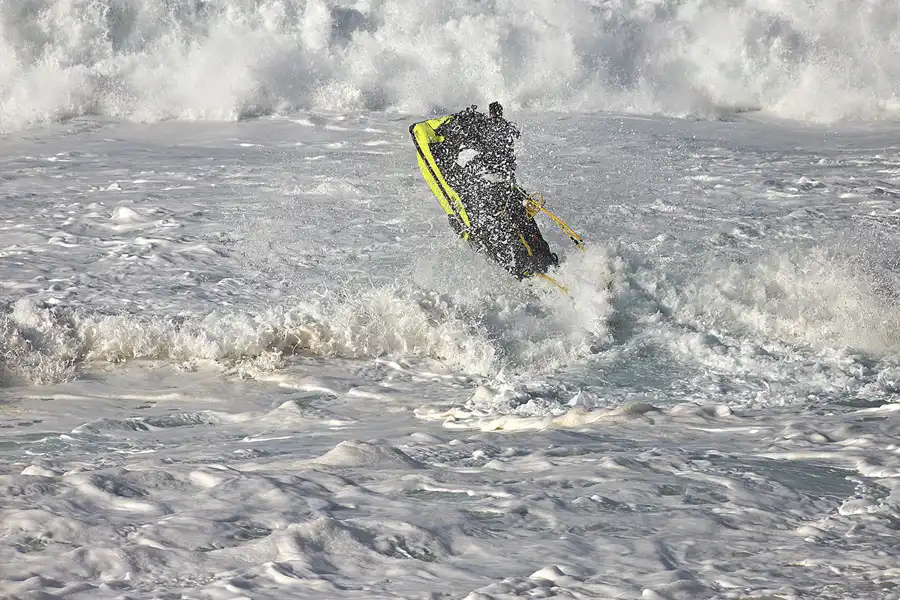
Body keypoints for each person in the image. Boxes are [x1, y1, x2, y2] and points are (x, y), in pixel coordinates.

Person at [409, 102, 559, 279]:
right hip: (471, 219)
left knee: (518, 220)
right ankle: (529, 270)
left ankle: (547, 266)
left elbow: (499, 170)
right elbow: (454, 190)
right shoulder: (429, 135)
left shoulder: (475, 130)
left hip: (491, 198)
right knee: (492, 237)